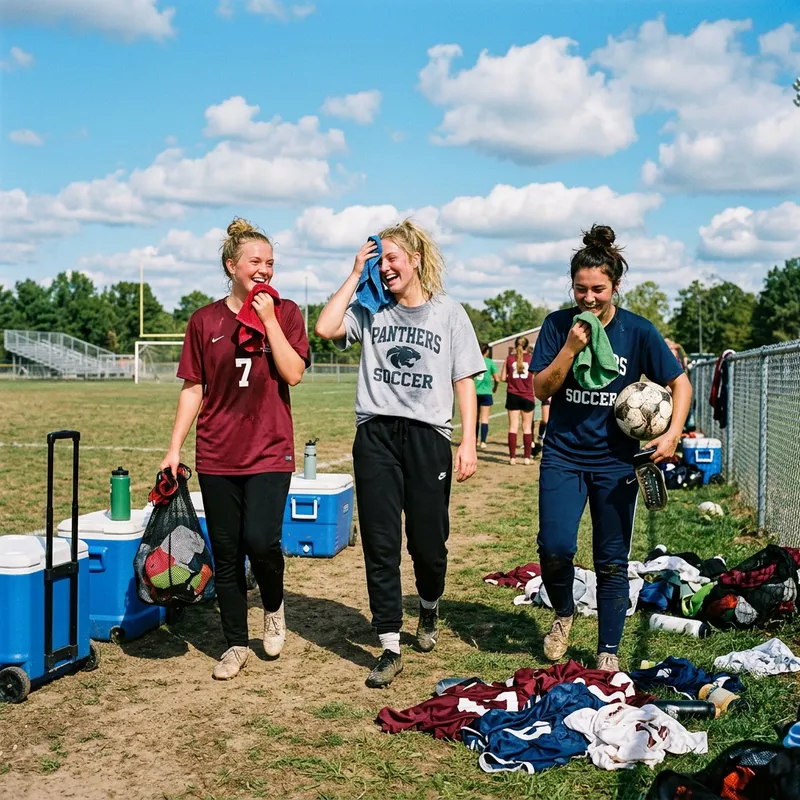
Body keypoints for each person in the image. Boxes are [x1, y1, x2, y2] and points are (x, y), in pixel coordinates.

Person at [315, 219, 484, 688]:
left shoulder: (449, 313)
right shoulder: (371, 307)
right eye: (380, 259)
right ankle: (390, 644)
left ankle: (428, 607)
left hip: (429, 437)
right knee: (380, 541)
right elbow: (325, 327)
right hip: (376, 435)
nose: (386, 267)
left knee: (428, 544)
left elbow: (465, 381)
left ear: (415, 259)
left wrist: (468, 442)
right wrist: (356, 274)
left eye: (392, 258)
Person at [531, 224, 692, 672]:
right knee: (555, 548)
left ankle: (608, 651)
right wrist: (569, 348)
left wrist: (672, 434)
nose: (589, 298)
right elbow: (541, 389)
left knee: (611, 560)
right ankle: (564, 613)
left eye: (598, 289)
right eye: (580, 289)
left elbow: (680, 384)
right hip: (563, 455)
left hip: (616, 462)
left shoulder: (638, 331)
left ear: (615, 286)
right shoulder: (557, 325)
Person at [160, 218, 310, 681]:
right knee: (225, 552)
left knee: (261, 541)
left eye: (270, 263)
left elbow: (293, 373)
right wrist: (173, 448)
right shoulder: (204, 321)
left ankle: (274, 608)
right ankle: (235, 643)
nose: (264, 270)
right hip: (218, 452)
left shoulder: (286, 312)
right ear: (231, 266)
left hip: (269, 449)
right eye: (255, 262)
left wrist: (268, 319)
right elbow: (193, 388)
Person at [500, 336, 536, 465]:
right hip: (527, 395)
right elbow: (535, 378)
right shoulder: (531, 359)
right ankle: (527, 458)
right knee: (527, 427)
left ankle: (512, 458)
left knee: (513, 427)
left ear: (515, 345)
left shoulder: (509, 359)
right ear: (527, 346)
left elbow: (502, 377)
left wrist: (512, 381)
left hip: (512, 395)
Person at [474, 342, 500, 449]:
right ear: (487, 351)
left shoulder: (473, 361)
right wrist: (495, 388)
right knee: (484, 418)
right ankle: (483, 442)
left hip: (474, 394)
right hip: (486, 393)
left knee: (475, 418)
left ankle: (474, 440)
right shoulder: (489, 362)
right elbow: (497, 379)